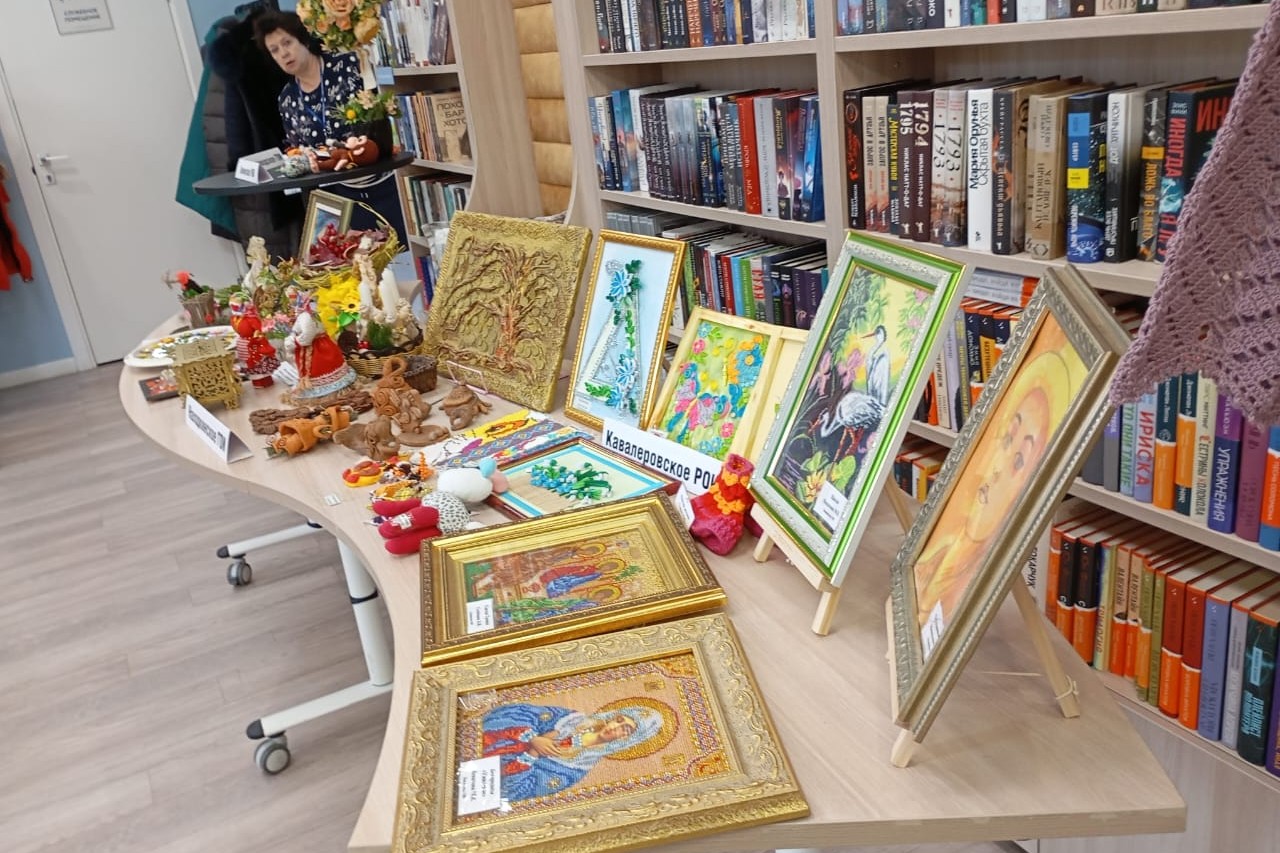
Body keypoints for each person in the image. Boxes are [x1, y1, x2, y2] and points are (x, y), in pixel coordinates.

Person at [252, 10, 407, 248]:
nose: (283, 53)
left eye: (287, 43)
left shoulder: (348, 65)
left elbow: (384, 113)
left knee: (407, 254)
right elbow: (296, 149)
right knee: (363, 263)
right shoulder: (287, 99)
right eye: (274, 50)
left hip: (387, 181)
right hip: (343, 196)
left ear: (303, 40)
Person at [479, 701, 666, 803]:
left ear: (627, 739)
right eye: (619, 720)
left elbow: (517, 791)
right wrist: (533, 738)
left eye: (625, 729)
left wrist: (533, 753)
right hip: (484, 741)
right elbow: (516, 712)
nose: (615, 727)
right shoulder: (569, 719)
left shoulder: (576, 768)